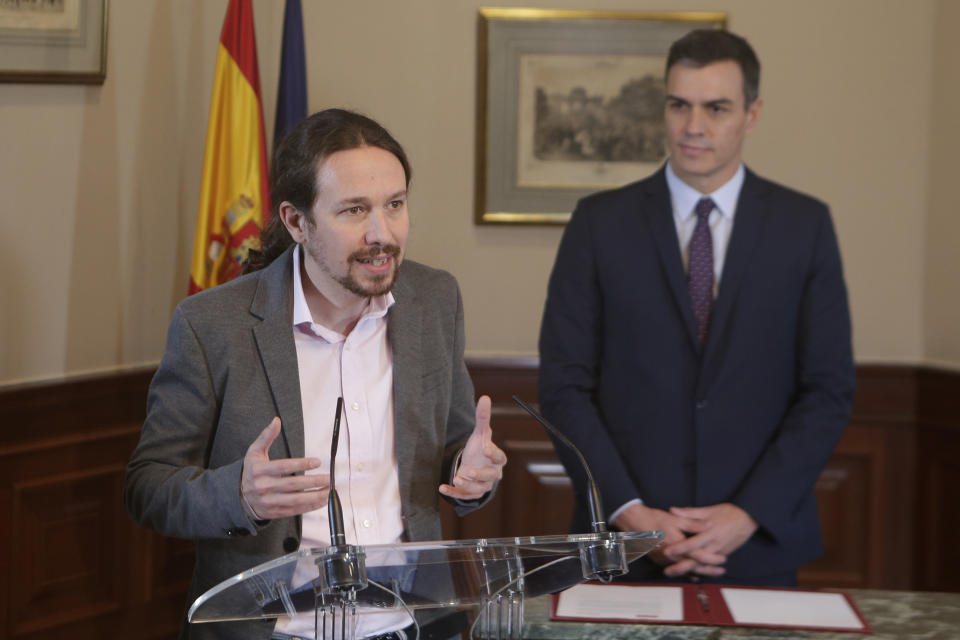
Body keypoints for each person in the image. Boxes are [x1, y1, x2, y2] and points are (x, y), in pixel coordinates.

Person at [124, 108, 507, 640]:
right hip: (276, 631)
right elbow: (148, 486)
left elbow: (457, 449)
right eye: (354, 210)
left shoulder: (434, 300)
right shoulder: (212, 323)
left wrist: (473, 476)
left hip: (413, 623)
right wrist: (241, 495)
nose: (382, 233)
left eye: (394, 205)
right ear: (297, 221)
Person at [538, 29, 854, 587]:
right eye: (678, 104)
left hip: (758, 545)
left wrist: (747, 514)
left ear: (752, 114)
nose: (692, 127)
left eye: (716, 108)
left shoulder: (803, 227)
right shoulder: (598, 224)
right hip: (622, 548)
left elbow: (827, 390)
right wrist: (631, 515)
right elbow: (564, 384)